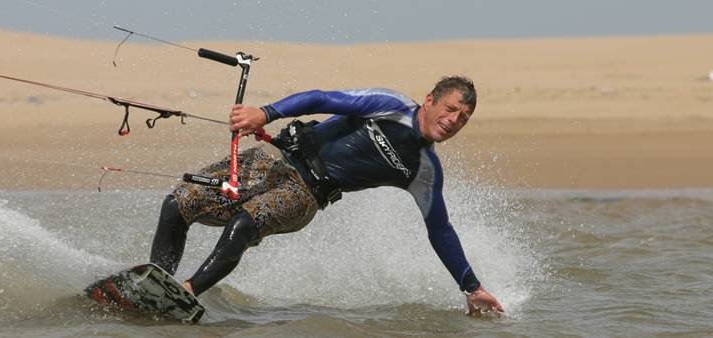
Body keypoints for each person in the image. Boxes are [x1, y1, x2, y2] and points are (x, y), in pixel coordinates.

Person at [150, 75, 504, 315]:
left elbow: (440, 230)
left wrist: (472, 288)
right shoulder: (389, 105)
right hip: (272, 160)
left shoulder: (424, 170)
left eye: (464, 118)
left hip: (306, 193)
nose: (455, 120)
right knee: (177, 205)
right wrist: (266, 113)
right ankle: (152, 283)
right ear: (430, 100)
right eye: (451, 109)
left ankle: (184, 294)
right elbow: (320, 98)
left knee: (243, 225)